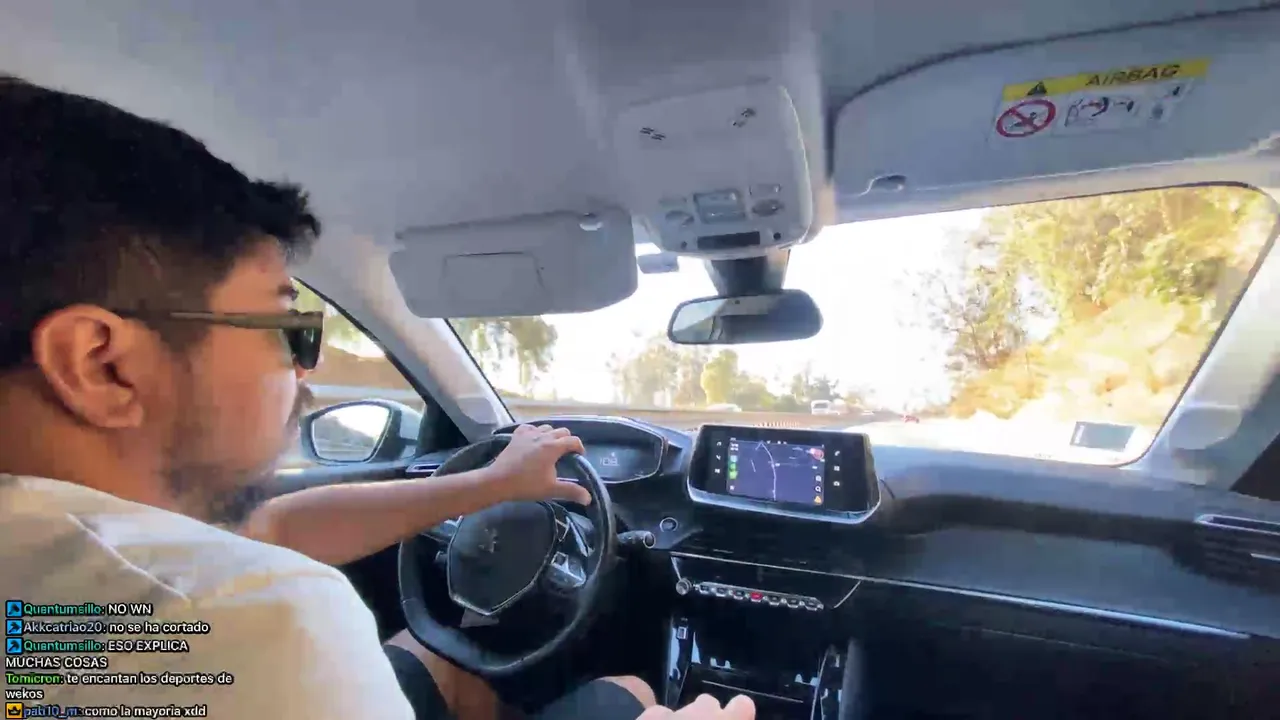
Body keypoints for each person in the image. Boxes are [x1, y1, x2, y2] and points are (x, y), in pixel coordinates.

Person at [0, 75, 754, 720]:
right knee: (627, 692)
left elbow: (271, 527)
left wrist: (487, 486)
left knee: (438, 661)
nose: (304, 372)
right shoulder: (254, 621)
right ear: (102, 365)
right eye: (289, 330)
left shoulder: (69, 587)